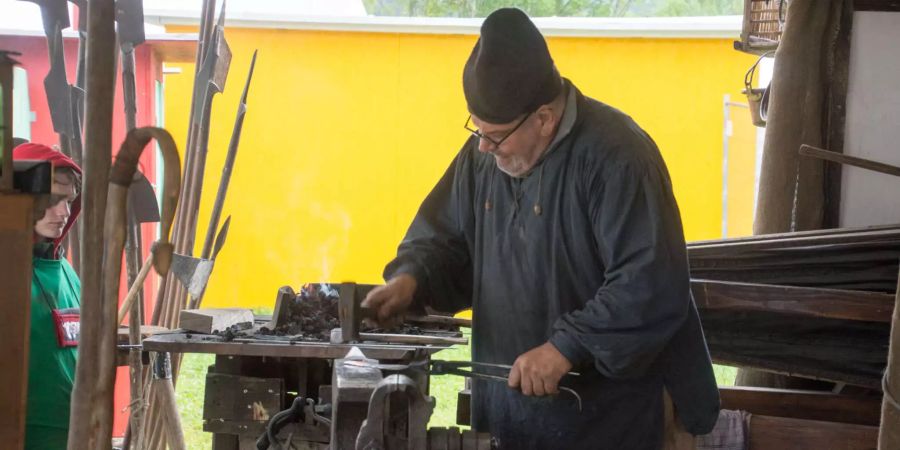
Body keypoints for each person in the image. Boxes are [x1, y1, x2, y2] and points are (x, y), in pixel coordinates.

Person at [362, 8, 720, 449]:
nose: (482, 147)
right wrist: (412, 279)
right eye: (477, 131)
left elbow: (648, 283)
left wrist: (565, 347)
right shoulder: (487, 155)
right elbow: (448, 240)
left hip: (612, 420)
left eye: (494, 136)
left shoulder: (619, 157)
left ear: (545, 119)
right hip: (513, 414)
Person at [15, 143, 83, 449]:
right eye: (53, 199)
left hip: (71, 433)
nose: (64, 211)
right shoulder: (7, 272)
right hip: (22, 435)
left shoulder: (65, 271)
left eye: (68, 200)